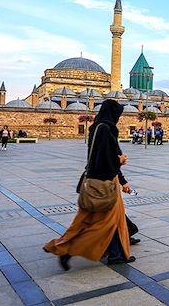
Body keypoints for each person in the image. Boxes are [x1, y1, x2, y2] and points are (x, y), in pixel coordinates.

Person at [44, 99, 135, 269]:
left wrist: (122, 179)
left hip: (92, 182)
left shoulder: (96, 128)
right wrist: (120, 161)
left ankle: (113, 252)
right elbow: (105, 160)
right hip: (104, 183)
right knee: (105, 223)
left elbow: (97, 157)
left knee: (86, 221)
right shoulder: (106, 130)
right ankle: (68, 249)